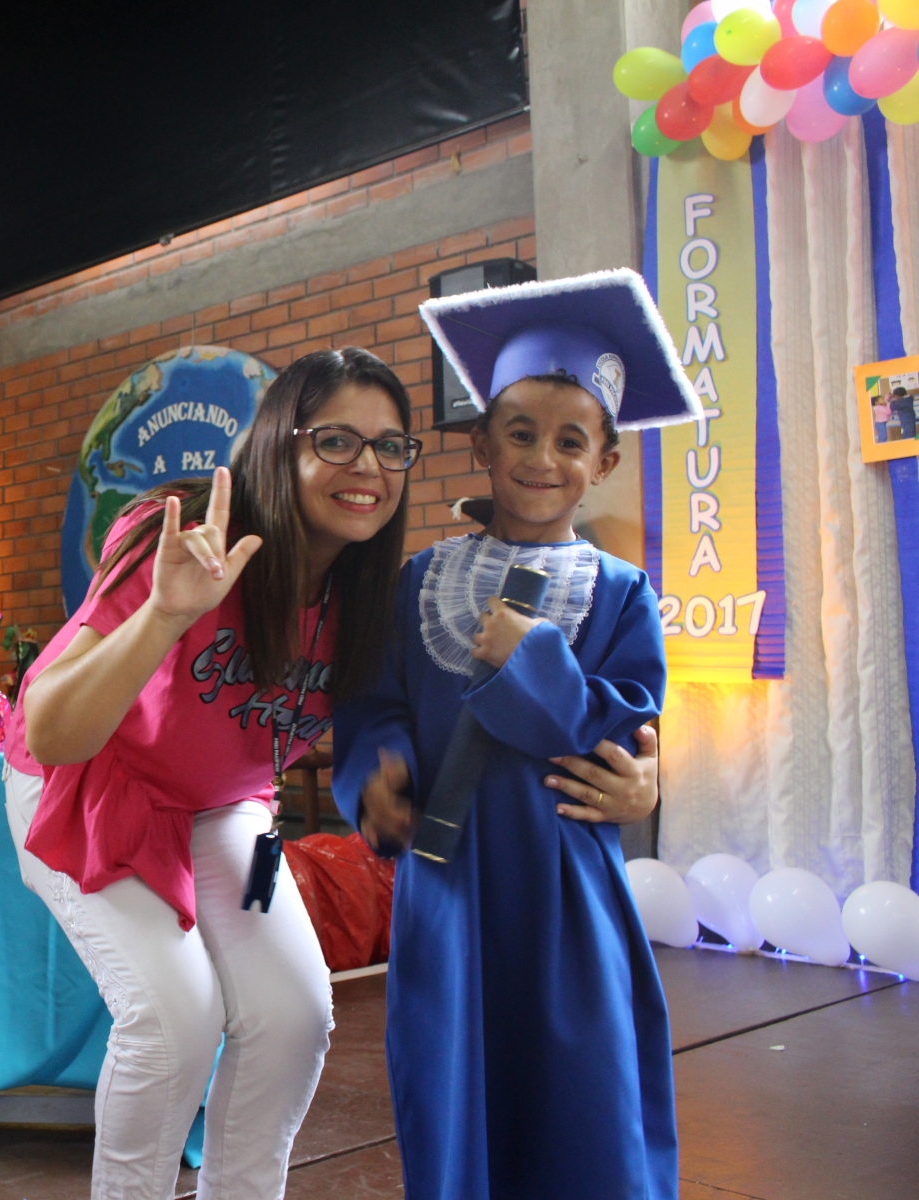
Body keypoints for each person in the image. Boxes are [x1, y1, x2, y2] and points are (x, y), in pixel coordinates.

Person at [8, 347, 659, 1200]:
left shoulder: (372, 592)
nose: (367, 467)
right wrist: (164, 614)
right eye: (337, 441)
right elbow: (54, 734)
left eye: (389, 447)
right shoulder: (183, 536)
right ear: (281, 440)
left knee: (294, 1015)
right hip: (96, 788)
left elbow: (393, 716)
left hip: (226, 810)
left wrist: (644, 780)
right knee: (176, 1020)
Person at [337, 270, 697, 1200]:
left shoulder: (620, 594)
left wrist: (529, 657)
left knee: (582, 1092)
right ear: (481, 447)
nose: (543, 458)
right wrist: (378, 776)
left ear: (604, 462)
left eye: (571, 441)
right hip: (447, 880)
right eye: (520, 434)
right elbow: (375, 704)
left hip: (566, 882)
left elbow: (615, 728)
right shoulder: (418, 582)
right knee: (452, 1085)